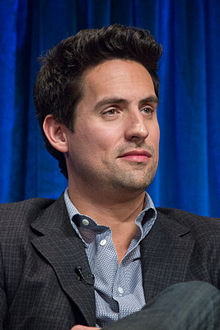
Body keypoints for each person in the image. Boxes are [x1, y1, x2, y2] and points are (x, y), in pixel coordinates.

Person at [0, 24, 220, 330]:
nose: (139, 129)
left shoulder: (213, 244)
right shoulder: (7, 238)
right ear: (59, 133)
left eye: (146, 109)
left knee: (198, 299)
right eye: (112, 111)